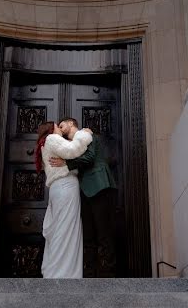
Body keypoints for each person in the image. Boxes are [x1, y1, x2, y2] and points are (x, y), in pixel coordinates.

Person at [50, 117, 118, 277]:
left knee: (104, 233)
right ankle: (89, 275)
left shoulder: (87, 136)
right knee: (88, 235)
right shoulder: (70, 146)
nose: (60, 128)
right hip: (83, 193)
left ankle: (109, 276)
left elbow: (89, 158)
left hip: (99, 186)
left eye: (62, 125)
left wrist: (66, 164)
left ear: (71, 124)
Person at [35, 120, 93, 278]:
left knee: (61, 229)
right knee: (66, 230)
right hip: (65, 187)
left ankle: (55, 272)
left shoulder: (45, 144)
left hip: (58, 189)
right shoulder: (52, 139)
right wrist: (85, 135)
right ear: (51, 129)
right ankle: (64, 274)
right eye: (57, 125)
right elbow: (73, 150)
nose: (59, 128)